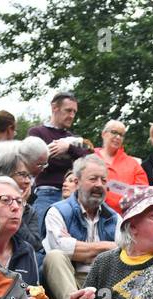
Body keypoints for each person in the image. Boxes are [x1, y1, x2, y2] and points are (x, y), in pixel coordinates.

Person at [41, 155, 118, 299]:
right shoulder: (57, 211)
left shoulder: (115, 218)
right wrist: (108, 246)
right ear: (77, 182)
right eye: (93, 179)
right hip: (69, 278)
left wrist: (76, 246)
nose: (99, 185)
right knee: (55, 256)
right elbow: (60, 248)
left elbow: (124, 252)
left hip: (103, 282)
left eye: (103, 180)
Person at [27, 92, 92, 230]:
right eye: (68, 110)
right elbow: (35, 161)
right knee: (40, 240)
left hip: (73, 197)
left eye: (74, 112)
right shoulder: (37, 132)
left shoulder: (72, 138)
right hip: (47, 193)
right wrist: (73, 155)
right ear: (54, 108)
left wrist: (67, 148)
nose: (72, 115)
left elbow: (88, 161)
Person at [0, 138, 48, 248]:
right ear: (6, 175)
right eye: (22, 174)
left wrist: (20, 208)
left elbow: (34, 246)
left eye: (29, 176)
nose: (27, 181)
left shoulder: (29, 211)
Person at [92, 118, 147, 214]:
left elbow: (142, 193)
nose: (118, 137)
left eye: (121, 135)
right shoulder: (89, 157)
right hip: (92, 214)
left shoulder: (133, 164)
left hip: (122, 218)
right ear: (103, 134)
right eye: (114, 132)